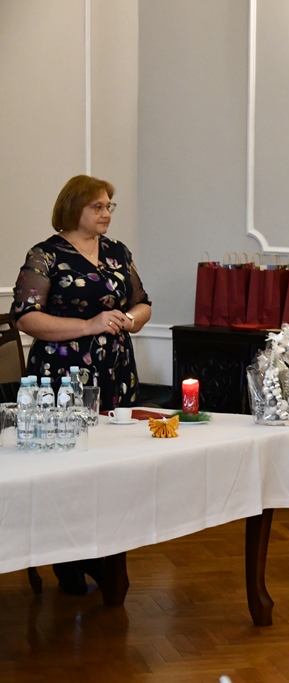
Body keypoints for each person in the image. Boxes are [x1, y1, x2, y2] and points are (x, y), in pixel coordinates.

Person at [10, 174, 153, 594]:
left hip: (115, 370)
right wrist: (89, 325)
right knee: (68, 467)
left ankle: (104, 550)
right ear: (74, 208)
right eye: (98, 206)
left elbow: (142, 302)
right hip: (64, 374)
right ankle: (68, 557)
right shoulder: (46, 255)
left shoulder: (116, 252)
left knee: (111, 462)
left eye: (109, 206)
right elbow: (25, 317)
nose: (106, 213)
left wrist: (129, 320)